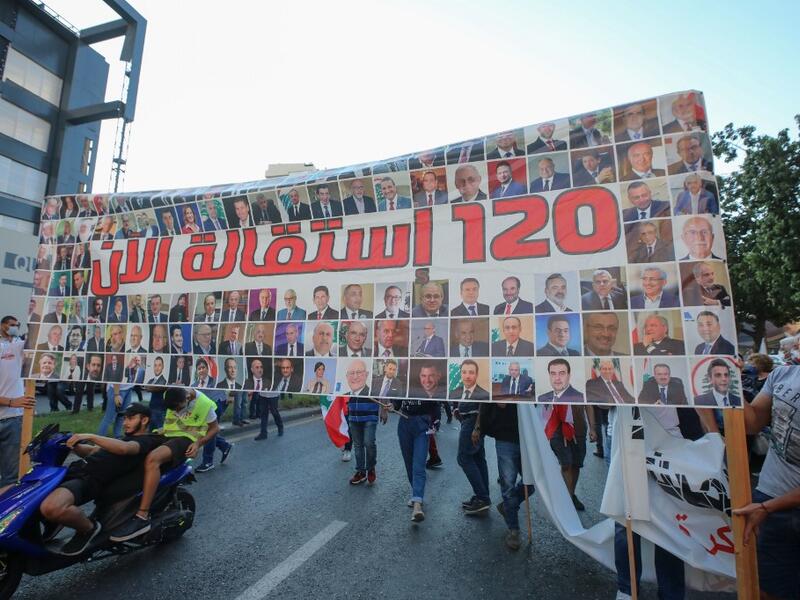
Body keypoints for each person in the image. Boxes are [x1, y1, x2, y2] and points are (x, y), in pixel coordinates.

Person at [39, 403, 166, 556]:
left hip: (90, 479)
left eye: (130, 418)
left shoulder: (147, 441)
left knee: (52, 507)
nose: (125, 423)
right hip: (73, 471)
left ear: (144, 420)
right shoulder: (122, 438)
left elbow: (125, 449)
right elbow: (92, 451)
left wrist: (91, 436)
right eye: (124, 418)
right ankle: (51, 523)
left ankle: (88, 529)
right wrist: (74, 445)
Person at [108, 388, 219, 542]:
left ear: (188, 398)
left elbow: (215, 429)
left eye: (179, 408)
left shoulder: (205, 404)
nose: (177, 412)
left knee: (152, 459)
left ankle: (142, 515)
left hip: (185, 439)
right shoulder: (170, 394)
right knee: (130, 447)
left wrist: (198, 443)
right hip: (166, 435)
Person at [735, 364, 800, 599]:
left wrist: (766, 507)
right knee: (766, 588)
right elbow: (752, 423)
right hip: (770, 498)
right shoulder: (783, 374)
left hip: (771, 506)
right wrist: (730, 382)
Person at [474, 400, 530, 550]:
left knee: (533, 482)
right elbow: (484, 401)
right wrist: (478, 427)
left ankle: (508, 507)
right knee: (508, 485)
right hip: (505, 436)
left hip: (529, 436)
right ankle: (514, 529)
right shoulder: (497, 381)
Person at [538, 359, 591, 510]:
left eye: (562, 373)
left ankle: (571, 494)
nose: (557, 377)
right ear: (548, 375)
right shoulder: (543, 395)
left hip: (578, 429)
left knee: (576, 464)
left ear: (569, 375)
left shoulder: (579, 393)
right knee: (566, 463)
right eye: (553, 373)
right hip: (556, 430)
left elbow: (589, 405)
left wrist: (593, 428)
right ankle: (567, 500)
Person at [389, 371, 441, 523]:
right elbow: (397, 403)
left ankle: (417, 504)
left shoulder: (427, 383)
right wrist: (392, 405)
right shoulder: (403, 384)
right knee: (409, 464)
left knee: (419, 464)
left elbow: (435, 405)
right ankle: (416, 493)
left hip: (421, 425)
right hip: (404, 424)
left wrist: (436, 422)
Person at [0, 316, 36, 491]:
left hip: (13, 420)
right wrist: (11, 401)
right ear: (2, 326)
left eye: (17, 325)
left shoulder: (18, 345)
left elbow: (35, 339)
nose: (14, 328)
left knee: (10, 476)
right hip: (9, 412)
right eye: (10, 325)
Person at [344, 360, 386, 486]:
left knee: (368, 443)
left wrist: (384, 409)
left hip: (370, 417)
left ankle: (371, 467)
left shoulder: (374, 382)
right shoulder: (348, 381)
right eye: (353, 372)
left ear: (366, 373)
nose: (356, 374)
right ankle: (361, 472)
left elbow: (383, 393)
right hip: (354, 417)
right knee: (357, 446)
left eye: (359, 372)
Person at [195, 381, 235, 473]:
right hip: (202, 402)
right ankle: (224, 446)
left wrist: (232, 395)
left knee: (210, 430)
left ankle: (208, 461)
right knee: (207, 431)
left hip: (215, 401)